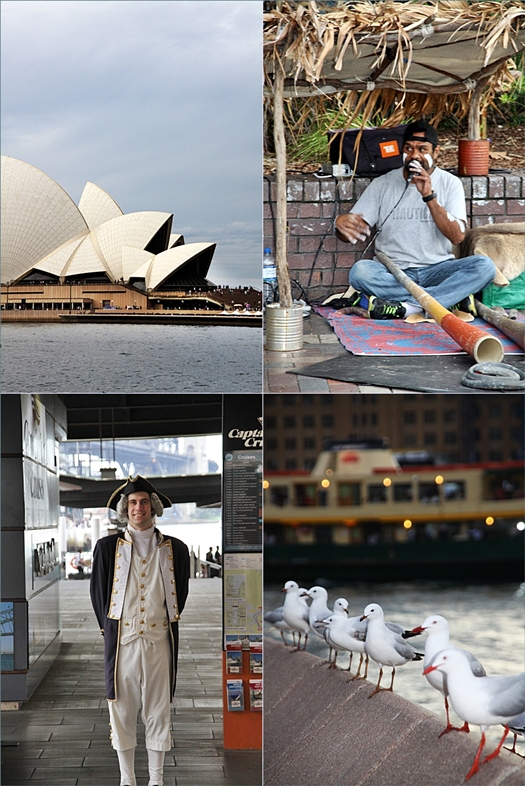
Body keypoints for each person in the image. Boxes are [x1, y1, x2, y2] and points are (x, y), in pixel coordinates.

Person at [334, 119, 496, 319]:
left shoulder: (449, 183)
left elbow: (457, 237)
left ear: (436, 152)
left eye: (422, 149)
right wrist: (341, 225)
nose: (414, 156)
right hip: (393, 272)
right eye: (408, 149)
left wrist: (429, 196)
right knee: (360, 272)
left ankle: (407, 308)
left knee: (485, 267)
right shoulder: (382, 183)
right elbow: (352, 229)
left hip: (437, 271)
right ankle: (444, 301)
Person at [90, 476, 190, 786]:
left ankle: (157, 779)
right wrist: (110, 629)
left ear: (153, 507)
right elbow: (98, 593)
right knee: (121, 707)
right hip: (123, 641)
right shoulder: (107, 548)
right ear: (125, 509)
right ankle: (127, 779)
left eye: (144, 502)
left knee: (158, 708)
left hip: (159, 639)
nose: (138, 507)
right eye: (132, 503)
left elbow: (181, 593)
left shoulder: (177, 548)